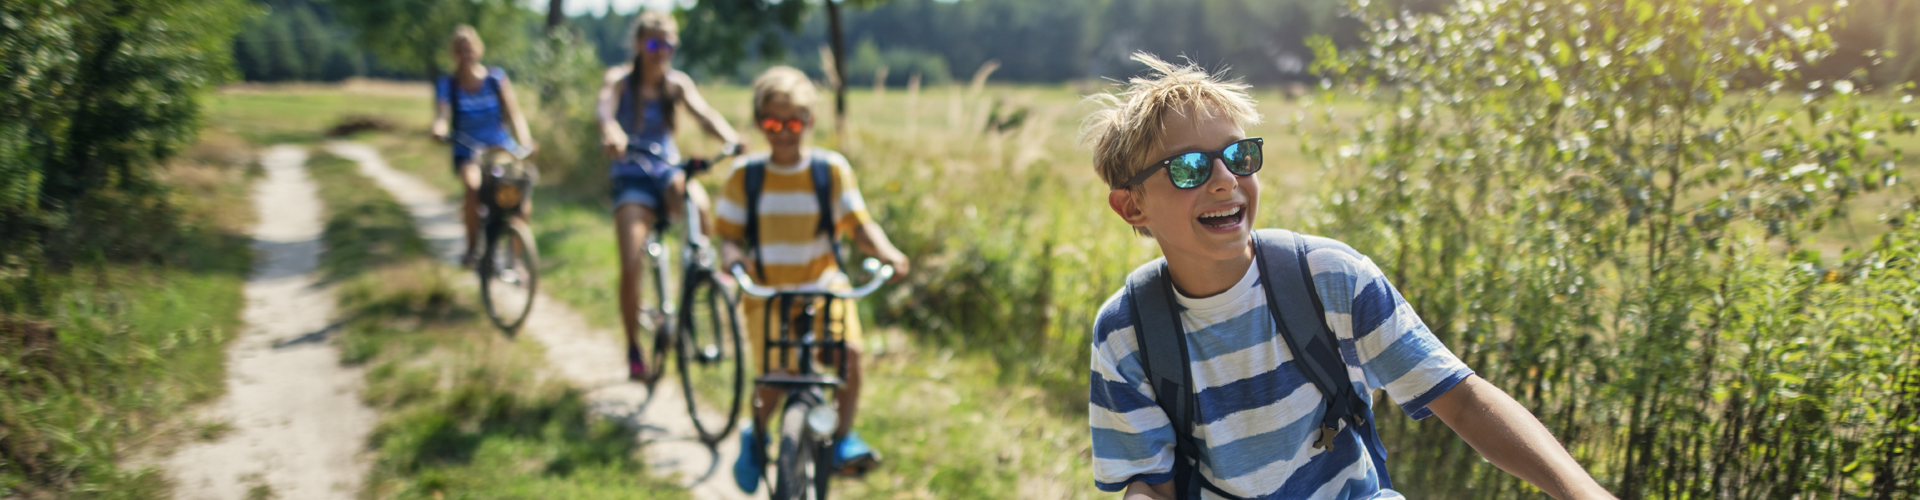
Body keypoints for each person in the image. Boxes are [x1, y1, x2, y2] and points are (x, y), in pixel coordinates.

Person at [1081, 53, 1616, 500]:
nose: (1225, 180)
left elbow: (1462, 399)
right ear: (1132, 207)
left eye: (1239, 156)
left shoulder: (1329, 278)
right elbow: (1152, 486)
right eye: (1189, 167)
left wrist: (1583, 493)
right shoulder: (1128, 331)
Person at [714, 66, 910, 494]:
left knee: (849, 356)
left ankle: (842, 439)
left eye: (795, 122)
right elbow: (727, 236)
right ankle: (756, 435)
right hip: (768, 292)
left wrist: (888, 252)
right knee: (776, 375)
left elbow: (859, 226)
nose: (785, 132)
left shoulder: (830, 170)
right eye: (773, 123)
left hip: (824, 287)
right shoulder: (745, 175)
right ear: (760, 121)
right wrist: (732, 259)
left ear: (810, 121)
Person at [595, 10, 744, 382]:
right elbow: (605, 111)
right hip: (631, 176)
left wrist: (730, 139)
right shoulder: (619, 81)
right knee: (631, 262)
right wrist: (612, 133)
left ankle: (701, 276)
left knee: (698, 201)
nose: (661, 52)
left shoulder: (676, 84)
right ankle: (634, 349)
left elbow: (704, 114)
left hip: (666, 171)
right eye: (653, 44)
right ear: (638, 45)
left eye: (668, 45)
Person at [429, 25, 535, 267]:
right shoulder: (448, 85)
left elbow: (514, 115)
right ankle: (472, 249)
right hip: (467, 150)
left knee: (519, 196)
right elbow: (442, 115)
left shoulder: (496, 79)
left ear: (478, 50)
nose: (465, 55)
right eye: (460, 50)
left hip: (500, 149)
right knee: (473, 187)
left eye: (469, 49)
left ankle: (515, 261)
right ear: (454, 54)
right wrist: (439, 129)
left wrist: (525, 142)